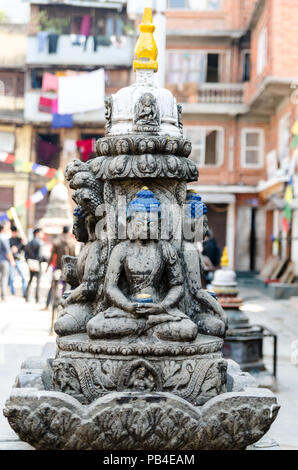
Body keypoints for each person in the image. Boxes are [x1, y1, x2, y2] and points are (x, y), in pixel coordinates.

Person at [43, 226, 76, 310]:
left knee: (53, 286)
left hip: (57, 268)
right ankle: (64, 305)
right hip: (67, 269)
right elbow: (74, 257)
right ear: (68, 232)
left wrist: (47, 267)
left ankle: (47, 305)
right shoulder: (71, 242)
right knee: (66, 287)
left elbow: (52, 256)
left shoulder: (57, 241)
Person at [25, 228, 44, 303]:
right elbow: (40, 256)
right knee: (38, 282)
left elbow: (26, 255)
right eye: (41, 233)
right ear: (37, 233)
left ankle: (26, 297)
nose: (42, 234)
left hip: (30, 264)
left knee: (30, 281)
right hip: (37, 264)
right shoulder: (40, 242)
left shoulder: (29, 243)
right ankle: (37, 298)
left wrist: (29, 262)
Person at [9, 226, 27, 297]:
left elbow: (24, 249)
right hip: (11, 260)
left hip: (19, 260)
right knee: (11, 278)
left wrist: (23, 243)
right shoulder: (9, 240)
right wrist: (11, 249)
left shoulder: (19, 240)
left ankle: (24, 292)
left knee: (23, 277)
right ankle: (12, 293)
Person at [0, 221, 15, 301]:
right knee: (4, 278)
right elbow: (8, 251)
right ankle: (4, 296)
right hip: (4, 261)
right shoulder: (4, 238)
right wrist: (12, 260)